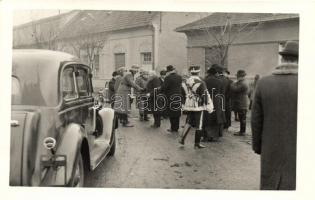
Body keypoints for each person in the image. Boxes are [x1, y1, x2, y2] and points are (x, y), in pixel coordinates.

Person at [251, 41, 298, 190]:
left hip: (270, 147)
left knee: (271, 185)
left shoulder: (264, 83)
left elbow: (256, 120)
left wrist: (258, 146)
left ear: (282, 60)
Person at [178, 65, 213, 149]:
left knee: (189, 121)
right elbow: (204, 95)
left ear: (190, 72)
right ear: (198, 72)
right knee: (199, 124)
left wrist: (183, 104)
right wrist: (208, 105)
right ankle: (197, 144)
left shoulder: (185, 82)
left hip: (188, 104)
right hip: (198, 105)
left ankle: (182, 138)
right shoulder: (201, 82)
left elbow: (181, 94)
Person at [203, 65, 225, 142]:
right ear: (215, 73)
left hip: (207, 100)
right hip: (217, 101)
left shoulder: (205, 80)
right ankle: (215, 136)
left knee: (207, 117)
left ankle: (207, 136)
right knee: (216, 117)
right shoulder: (219, 81)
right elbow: (222, 93)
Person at [161, 65, 182, 133]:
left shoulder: (168, 78)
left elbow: (164, 87)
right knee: (177, 111)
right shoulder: (179, 77)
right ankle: (176, 127)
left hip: (170, 97)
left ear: (168, 71)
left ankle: (173, 128)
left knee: (171, 112)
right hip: (178, 96)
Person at [230, 69, 249, 136]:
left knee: (242, 118)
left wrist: (233, 83)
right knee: (241, 117)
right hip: (241, 102)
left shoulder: (243, 83)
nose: (237, 77)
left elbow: (235, 89)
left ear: (241, 76)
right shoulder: (242, 82)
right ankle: (242, 131)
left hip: (242, 103)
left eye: (238, 76)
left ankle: (242, 132)